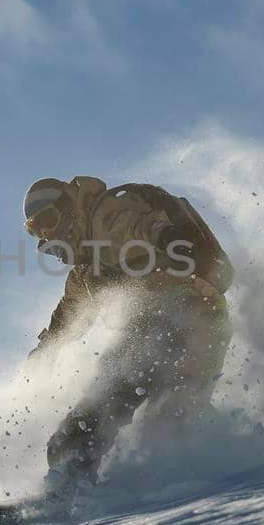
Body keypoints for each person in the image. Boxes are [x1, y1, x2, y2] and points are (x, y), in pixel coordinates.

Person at [22, 176, 233, 493]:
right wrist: (45, 351)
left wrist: (185, 256)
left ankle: (70, 478)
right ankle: (231, 457)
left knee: (108, 395)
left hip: (177, 315)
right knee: (170, 426)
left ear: (70, 207)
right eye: (37, 233)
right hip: (198, 324)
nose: (48, 236)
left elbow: (154, 231)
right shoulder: (86, 271)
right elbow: (68, 314)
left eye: (49, 221)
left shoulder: (109, 214)